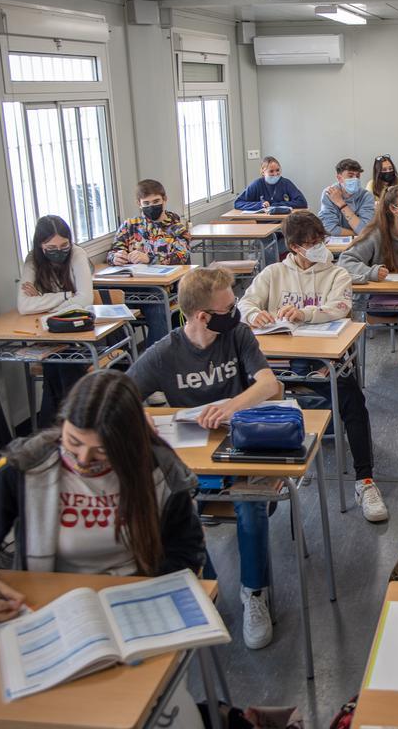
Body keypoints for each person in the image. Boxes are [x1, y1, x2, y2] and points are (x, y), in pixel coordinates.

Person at [0, 369, 205, 618]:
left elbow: (185, 552)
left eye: (102, 451)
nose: (82, 459)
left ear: (129, 443)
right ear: (62, 425)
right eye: (73, 442)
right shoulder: (26, 466)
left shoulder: (161, 472)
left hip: (136, 601)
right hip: (46, 604)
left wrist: (155, 594)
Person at [126, 266, 281, 650]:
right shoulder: (165, 353)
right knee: (174, 508)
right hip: (191, 459)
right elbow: (122, 397)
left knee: (250, 504)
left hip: (240, 446)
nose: (237, 311)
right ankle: (205, 586)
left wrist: (232, 405)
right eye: (229, 306)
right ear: (202, 316)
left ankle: (254, 593)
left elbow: (269, 383)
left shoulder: (238, 336)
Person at [239, 212, 388, 523]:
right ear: (294, 247)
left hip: (325, 360)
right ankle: (261, 480)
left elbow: (341, 307)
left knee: (353, 403)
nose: (320, 247)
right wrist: (256, 316)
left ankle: (365, 481)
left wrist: (304, 314)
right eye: (311, 244)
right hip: (279, 362)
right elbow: (245, 303)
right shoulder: (273, 273)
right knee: (249, 398)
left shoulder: (337, 274)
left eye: (321, 240)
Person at [339, 185, 398, 397]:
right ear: (393, 209)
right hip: (378, 300)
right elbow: (345, 261)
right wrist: (372, 272)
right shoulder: (376, 233)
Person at [18, 214, 94, 424]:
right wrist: (68, 296)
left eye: (64, 245)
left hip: (84, 332)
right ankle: (69, 422)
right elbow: (24, 306)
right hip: (49, 334)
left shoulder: (77, 254)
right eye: (51, 247)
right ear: (40, 246)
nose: (59, 251)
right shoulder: (33, 259)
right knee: (57, 359)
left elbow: (86, 298)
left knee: (60, 360)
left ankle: (55, 427)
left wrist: (43, 302)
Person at [107, 179, 192, 348]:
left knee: (157, 305)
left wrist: (150, 258)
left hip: (163, 290)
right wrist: (116, 257)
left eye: (156, 202)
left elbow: (182, 256)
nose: (151, 206)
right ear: (139, 204)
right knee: (108, 306)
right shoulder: (130, 226)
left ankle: (156, 357)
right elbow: (113, 251)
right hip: (130, 286)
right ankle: (122, 360)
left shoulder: (177, 227)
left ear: (164, 200)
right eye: (146, 203)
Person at [318, 158, 375, 237]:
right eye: (350, 176)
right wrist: (357, 233)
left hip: (361, 243)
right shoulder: (329, 193)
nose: (355, 179)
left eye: (357, 176)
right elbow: (329, 228)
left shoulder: (366, 196)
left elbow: (364, 230)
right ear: (339, 178)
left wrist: (341, 203)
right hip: (336, 244)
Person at [235, 157, 307, 212]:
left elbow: (302, 202)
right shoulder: (256, 184)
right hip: (261, 221)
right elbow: (238, 203)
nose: (275, 174)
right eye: (271, 171)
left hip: (283, 221)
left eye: (277, 170)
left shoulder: (286, 183)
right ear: (263, 172)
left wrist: (275, 205)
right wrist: (259, 205)